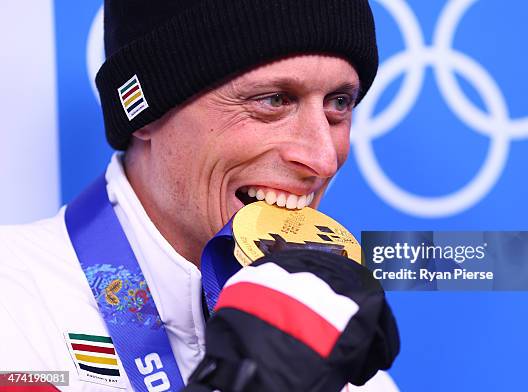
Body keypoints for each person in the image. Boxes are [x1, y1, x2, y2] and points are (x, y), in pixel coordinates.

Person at [0, 0, 399, 390]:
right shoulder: (15, 304)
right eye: (273, 100)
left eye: (339, 103)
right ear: (147, 113)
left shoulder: (340, 362)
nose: (323, 158)